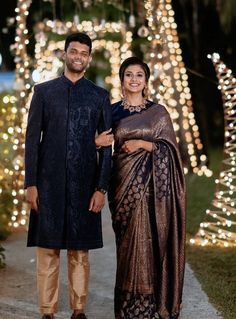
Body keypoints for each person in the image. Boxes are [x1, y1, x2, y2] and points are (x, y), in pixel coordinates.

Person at [25, 32, 112, 319]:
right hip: (47, 185)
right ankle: (47, 311)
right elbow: (31, 141)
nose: (78, 56)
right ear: (65, 54)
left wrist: (101, 188)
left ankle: (78, 310)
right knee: (47, 251)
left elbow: (107, 146)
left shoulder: (99, 96)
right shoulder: (44, 92)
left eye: (84, 53)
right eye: (73, 51)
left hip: (84, 185)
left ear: (88, 57)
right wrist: (31, 183)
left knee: (79, 253)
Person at [95, 57, 186, 319]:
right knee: (127, 246)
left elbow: (171, 150)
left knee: (151, 240)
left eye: (139, 75)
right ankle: (127, 306)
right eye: (128, 75)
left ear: (146, 81)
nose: (134, 79)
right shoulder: (111, 112)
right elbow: (101, 144)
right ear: (122, 80)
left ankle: (150, 303)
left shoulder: (159, 112)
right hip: (123, 189)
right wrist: (95, 141)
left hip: (153, 191)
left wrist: (143, 145)